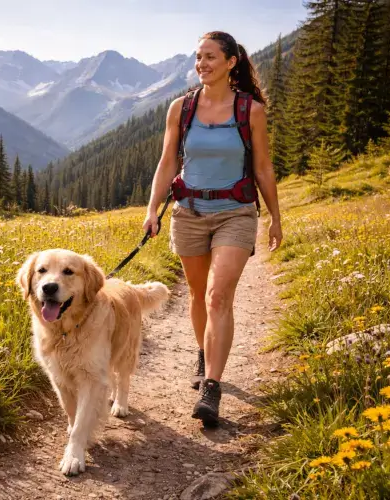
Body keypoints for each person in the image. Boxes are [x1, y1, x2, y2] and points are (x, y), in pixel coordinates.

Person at [143, 31, 283, 426]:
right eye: (198, 57)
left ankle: (212, 387)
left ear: (230, 62)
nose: (202, 64)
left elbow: (263, 168)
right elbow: (167, 162)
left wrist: (274, 216)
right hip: (188, 212)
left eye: (210, 57)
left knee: (218, 296)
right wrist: (152, 209)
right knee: (198, 293)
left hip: (235, 213)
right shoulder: (181, 108)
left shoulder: (250, 110)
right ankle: (204, 353)